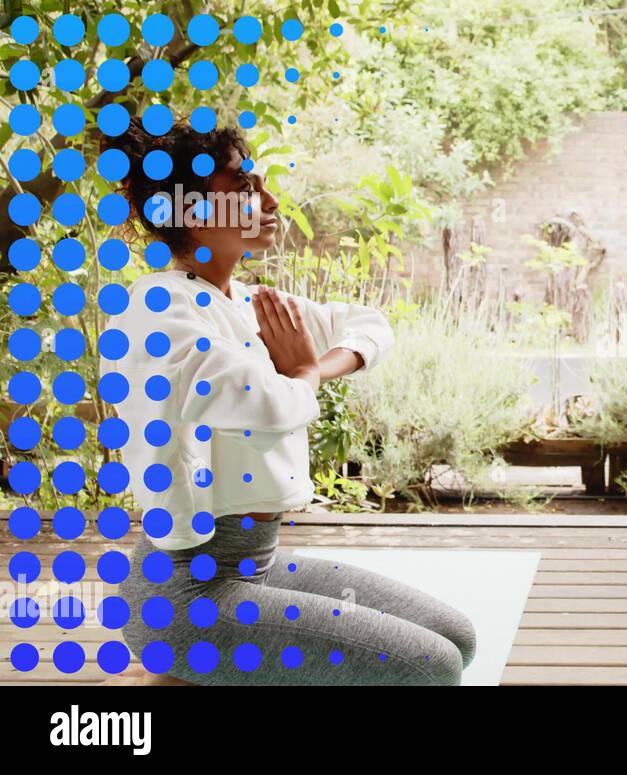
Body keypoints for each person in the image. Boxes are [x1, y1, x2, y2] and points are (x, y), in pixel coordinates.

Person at [96, 116, 475, 685]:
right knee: (432, 668)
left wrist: (314, 365)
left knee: (459, 638)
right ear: (189, 212)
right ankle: (174, 668)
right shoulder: (155, 308)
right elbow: (269, 402)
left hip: (258, 565)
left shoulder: (247, 302)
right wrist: (301, 370)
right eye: (244, 187)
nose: (269, 199)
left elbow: (368, 325)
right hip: (191, 589)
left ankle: (183, 679)